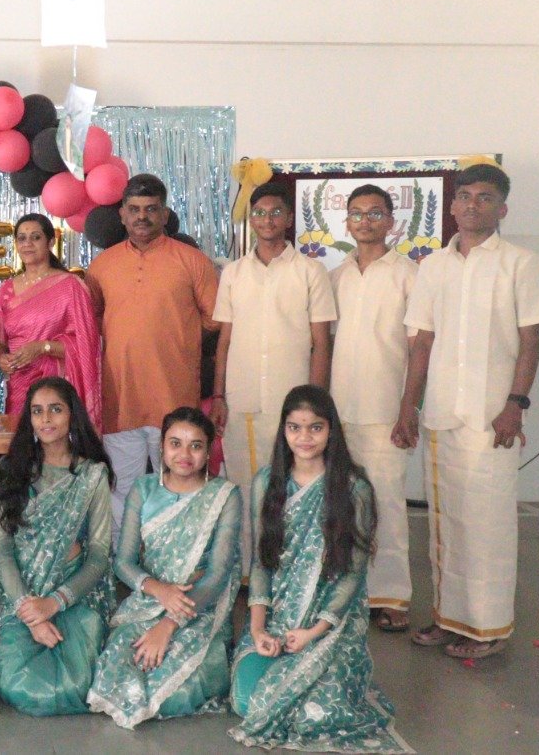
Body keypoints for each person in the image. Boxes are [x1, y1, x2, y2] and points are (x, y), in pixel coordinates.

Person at [396, 162, 539, 660]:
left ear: (502, 209)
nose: (472, 205)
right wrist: (408, 407)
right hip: (441, 413)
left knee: (488, 524)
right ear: (452, 206)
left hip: (492, 418)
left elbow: (531, 341)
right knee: (446, 523)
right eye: (464, 196)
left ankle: (487, 627)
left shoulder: (520, 263)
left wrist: (515, 405)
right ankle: (449, 618)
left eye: (485, 198)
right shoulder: (433, 266)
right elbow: (422, 342)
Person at [230, 385, 408, 753]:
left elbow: (354, 574)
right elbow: (261, 562)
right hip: (278, 616)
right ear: (283, 430)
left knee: (314, 714)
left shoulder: (353, 489)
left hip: (332, 621)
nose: (304, 438)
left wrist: (313, 631)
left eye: (315, 427)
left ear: (331, 430)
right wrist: (258, 629)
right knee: (248, 702)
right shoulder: (267, 482)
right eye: (294, 427)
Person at [87, 407, 241, 729]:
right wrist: (160, 591)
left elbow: (217, 574)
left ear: (208, 451)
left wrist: (170, 623)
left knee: (176, 690)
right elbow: (123, 562)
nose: (184, 454)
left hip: (201, 606)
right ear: (161, 447)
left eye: (195, 446)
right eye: (175, 443)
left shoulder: (224, 495)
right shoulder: (143, 489)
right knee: (116, 671)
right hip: (149, 601)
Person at [85, 174, 219, 539]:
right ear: (122, 215)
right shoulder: (102, 266)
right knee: (121, 491)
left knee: (177, 487)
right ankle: (121, 560)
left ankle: (175, 560)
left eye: (151, 209)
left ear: (165, 213)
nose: (142, 217)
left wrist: (174, 337)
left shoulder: (193, 262)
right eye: (134, 209)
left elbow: (215, 320)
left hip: (173, 399)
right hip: (120, 401)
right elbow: (91, 324)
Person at [0, 377, 114, 716]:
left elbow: (99, 555)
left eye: (55, 409)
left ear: (72, 415)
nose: (45, 419)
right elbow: (2, 550)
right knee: (19, 684)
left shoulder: (91, 474)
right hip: (22, 593)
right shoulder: (10, 470)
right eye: (37, 411)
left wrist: (55, 602)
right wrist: (29, 611)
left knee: (76, 683)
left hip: (75, 592)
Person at [208, 181, 337, 503]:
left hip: (291, 402)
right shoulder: (233, 273)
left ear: (289, 218)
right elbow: (225, 340)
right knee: (243, 488)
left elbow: (322, 343)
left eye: (276, 212)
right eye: (259, 213)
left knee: (292, 487)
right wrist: (219, 395)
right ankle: (249, 541)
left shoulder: (311, 271)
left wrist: (315, 402)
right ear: (251, 219)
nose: (267, 220)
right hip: (241, 400)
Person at [327, 184, 417, 631]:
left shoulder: (408, 275)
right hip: (340, 411)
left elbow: (419, 348)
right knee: (343, 506)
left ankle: (393, 595)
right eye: (358, 214)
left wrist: (408, 408)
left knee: (387, 505)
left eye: (375, 213)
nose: (366, 221)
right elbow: (325, 344)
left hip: (387, 411)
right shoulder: (336, 276)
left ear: (391, 222)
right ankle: (349, 591)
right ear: (347, 223)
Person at [0, 214, 102, 428]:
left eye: (35, 237)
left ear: (51, 242)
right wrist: (1, 357)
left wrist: (42, 348)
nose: (27, 244)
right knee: (21, 439)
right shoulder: (6, 290)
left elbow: (87, 345)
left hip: (56, 386)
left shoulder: (70, 286)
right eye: (21, 238)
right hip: (19, 383)